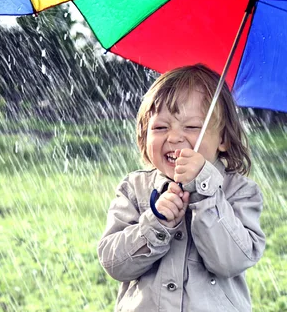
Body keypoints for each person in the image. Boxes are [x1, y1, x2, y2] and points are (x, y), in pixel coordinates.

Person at [98, 64, 265, 312]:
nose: (174, 137)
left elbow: (231, 261)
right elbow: (114, 263)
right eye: (160, 127)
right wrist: (156, 224)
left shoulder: (240, 192)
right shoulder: (134, 189)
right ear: (144, 136)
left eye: (192, 127)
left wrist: (206, 195)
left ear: (223, 138)